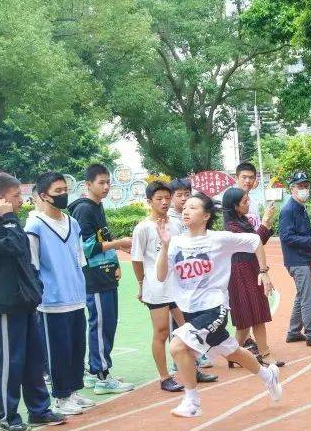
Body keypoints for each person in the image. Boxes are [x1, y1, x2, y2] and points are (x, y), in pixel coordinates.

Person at [155, 194, 282, 417]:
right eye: (185, 207)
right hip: (191, 312)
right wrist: (165, 247)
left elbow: (254, 241)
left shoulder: (219, 239)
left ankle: (192, 402)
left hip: (215, 308)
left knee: (176, 346)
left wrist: (263, 272)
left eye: (193, 208)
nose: (186, 210)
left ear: (205, 216)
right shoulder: (175, 242)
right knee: (233, 352)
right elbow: (161, 275)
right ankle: (267, 375)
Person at [0, 173, 66, 431]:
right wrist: (8, 219)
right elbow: (14, 248)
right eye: (16, 196)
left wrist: (36, 288)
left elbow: (25, 252)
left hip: (27, 302)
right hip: (6, 305)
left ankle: (39, 410)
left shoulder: (12, 223)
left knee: (33, 360)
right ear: (0, 198)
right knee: (9, 361)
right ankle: (8, 416)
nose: (21, 200)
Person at [25, 172, 93, 416]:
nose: (64, 194)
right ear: (44, 196)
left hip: (75, 295)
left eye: (65, 189)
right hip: (52, 301)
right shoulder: (34, 226)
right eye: (58, 191)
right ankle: (61, 397)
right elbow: (32, 265)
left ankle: (74, 390)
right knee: (58, 351)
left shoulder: (72, 223)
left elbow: (78, 257)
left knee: (77, 347)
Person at [67, 164, 134, 394]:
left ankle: (95, 371)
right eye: (101, 183)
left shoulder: (97, 206)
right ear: (88, 185)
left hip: (105, 275)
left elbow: (102, 238)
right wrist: (119, 243)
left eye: (108, 182)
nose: (106, 187)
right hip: (93, 278)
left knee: (107, 324)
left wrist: (116, 258)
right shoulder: (84, 210)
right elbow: (86, 248)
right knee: (101, 325)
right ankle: (101, 375)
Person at [131, 181, 197, 393]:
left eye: (167, 198)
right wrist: (142, 285)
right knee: (160, 332)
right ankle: (164, 377)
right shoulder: (143, 228)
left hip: (178, 285)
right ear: (149, 201)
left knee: (187, 327)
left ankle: (192, 369)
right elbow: (137, 259)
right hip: (156, 287)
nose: (164, 202)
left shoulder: (176, 224)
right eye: (159, 199)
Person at [222, 187, 282, 367]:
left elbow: (258, 242)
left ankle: (232, 354)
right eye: (245, 202)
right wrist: (264, 222)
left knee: (246, 319)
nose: (248, 204)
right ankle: (265, 354)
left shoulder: (241, 221)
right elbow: (253, 242)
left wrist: (267, 222)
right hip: (241, 272)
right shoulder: (232, 228)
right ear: (234, 206)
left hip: (249, 268)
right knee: (255, 315)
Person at [280, 172, 311, 346]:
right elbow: (286, 237)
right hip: (297, 261)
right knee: (308, 298)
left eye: (306, 186)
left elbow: (305, 231)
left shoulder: (300, 207)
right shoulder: (288, 210)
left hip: (303, 259)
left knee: (301, 296)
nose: (304, 189)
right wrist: (309, 241)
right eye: (300, 186)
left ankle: (294, 332)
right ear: (292, 188)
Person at [234, 161, 263, 229]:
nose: (248, 181)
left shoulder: (254, 203)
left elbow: (257, 228)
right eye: (244, 177)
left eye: (251, 177)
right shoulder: (231, 203)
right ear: (236, 178)